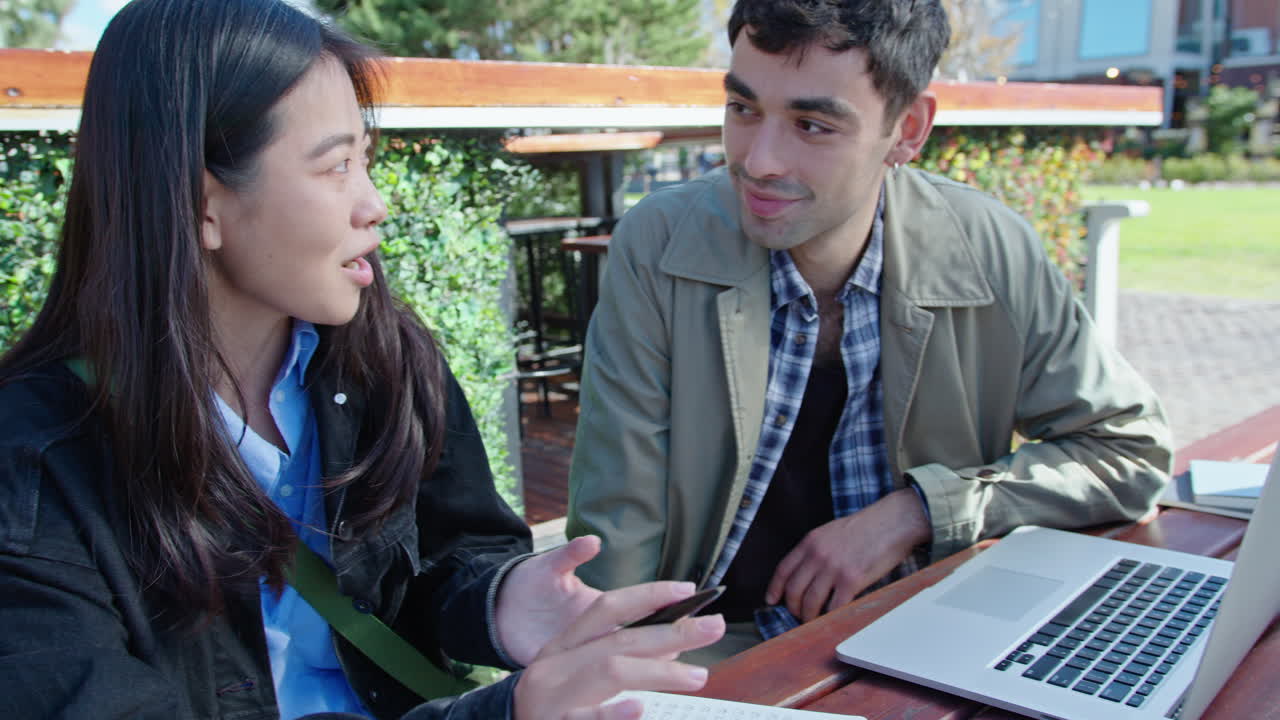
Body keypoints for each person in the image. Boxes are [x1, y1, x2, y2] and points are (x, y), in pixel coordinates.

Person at [0, 1, 725, 718]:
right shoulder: (32, 465)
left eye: (366, 161)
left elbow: (451, 552)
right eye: (336, 166)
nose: (374, 204)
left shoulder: (384, 359)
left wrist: (501, 602)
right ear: (201, 205)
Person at [567, 0, 1173, 663]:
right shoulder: (658, 245)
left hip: (930, 630)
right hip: (715, 648)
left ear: (908, 130)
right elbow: (617, 535)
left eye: (812, 124)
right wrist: (612, 675)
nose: (759, 161)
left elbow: (1128, 454)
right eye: (743, 109)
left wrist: (917, 513)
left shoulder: (990, 250)